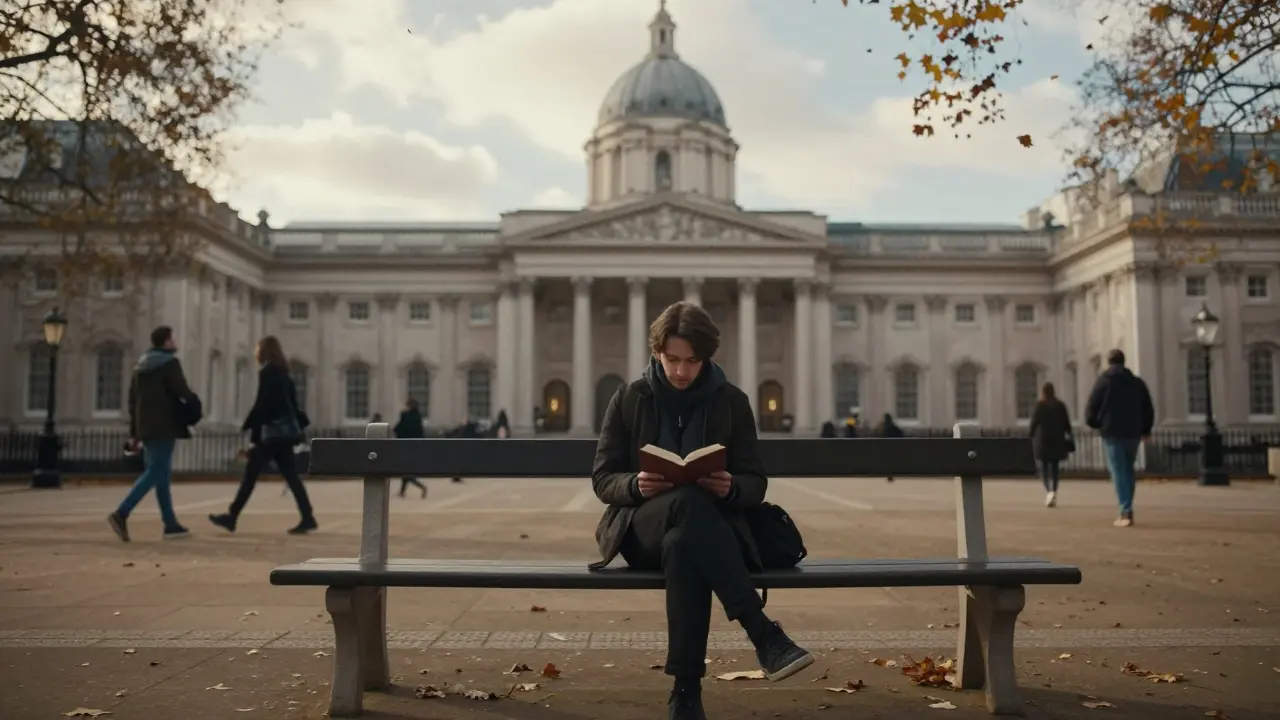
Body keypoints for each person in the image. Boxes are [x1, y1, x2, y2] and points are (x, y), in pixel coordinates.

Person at [592, 301, 814, 720]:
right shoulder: (629, 398)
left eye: (691, 361)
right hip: (642, 529)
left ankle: (686, 694)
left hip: (703, 532)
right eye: (672, 359)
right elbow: (603, 478)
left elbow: (755, 481)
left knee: (685, 543)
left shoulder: (731, 402)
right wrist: (634, 484)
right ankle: (762, 632)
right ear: (656, 352)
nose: (680, 371)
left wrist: (732, 487)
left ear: (707, 357)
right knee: (686, 508)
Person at [208, 336, 318, 535]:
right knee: (291, 477)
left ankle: (232, 516)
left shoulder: (267, 373)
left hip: (272, 435)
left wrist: (252, 434)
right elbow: (293, 406)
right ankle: (308, 517)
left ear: (264, 351)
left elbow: (263, 405)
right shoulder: (285, 374)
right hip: (284, 434)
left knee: (251, 475)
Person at [108, 326, 200, 542]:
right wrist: (194, 404)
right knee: (156, 470)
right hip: (165, 425)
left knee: (162, 475)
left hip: (146, 427)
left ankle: (171, 524)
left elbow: (133, 403)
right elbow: (182, 391)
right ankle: (122, 513)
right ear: (166, 342)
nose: (174, 342)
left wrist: (135, 433)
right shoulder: (169, 363)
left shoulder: (140, 367)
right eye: (172, 338)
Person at [1085, 349, 1155, 527]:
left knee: (1118, 472)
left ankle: (1125, 510)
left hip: (1112, 431)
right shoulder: (1137, 383)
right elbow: (1147, 407)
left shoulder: (1104, 382)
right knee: (1128, 470)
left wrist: (1096, 424)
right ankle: (1127, 505)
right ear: (1124, 362)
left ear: (1109, 362)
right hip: (1133, 431)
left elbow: (1092, 406)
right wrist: (1146, 430)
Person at [1029, 382, 1073, 507]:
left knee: (1043, 468)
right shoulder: (1060, 405)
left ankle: (1048, 491)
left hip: (1043, 440)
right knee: (1055, 469)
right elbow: (1066, 423)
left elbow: (1034, 423)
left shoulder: (1040, 405)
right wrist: (1069, 434)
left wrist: (1029, 436)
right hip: (1057, 439)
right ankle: (1054, 490)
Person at [394, 398, 428, 498]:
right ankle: (402, 492)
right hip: (415, 446)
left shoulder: (405, 416)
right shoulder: (418, 417)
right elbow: (420, 433)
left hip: (405, 445)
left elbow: (398, 429)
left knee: (406, 471)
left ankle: (421, 487)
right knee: (407, 470)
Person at [877, 413, 904, 482]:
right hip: (893, 446)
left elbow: (881, 435)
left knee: (887, 461)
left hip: (886, 447)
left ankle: (889, 474)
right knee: (892, 461)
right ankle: (890, 474)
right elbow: (900, 434)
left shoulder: (884, 427)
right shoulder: (892, 426)